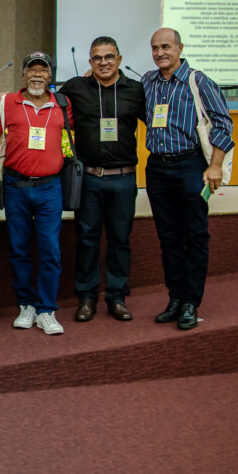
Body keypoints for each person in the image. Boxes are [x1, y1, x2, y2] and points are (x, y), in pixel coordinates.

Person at [143, 28, 233, 330]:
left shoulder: (199, 81)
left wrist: (215, 165)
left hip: (190, 166)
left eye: (165, 47)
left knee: (194, 235)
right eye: (155, 48)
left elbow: (223, 124)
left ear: (179, 48)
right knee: (168, 238)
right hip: (157, 168)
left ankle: (191, 302)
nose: (160, 53)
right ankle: (176, 298)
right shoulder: (148, 81)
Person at [59, 36, 146, 322]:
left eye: (109, 57)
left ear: (119, 59)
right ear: (90, 62)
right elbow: (45, 101)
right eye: (97, 58)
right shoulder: (76, 87)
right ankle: (86, 298)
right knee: (87, 240)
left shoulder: (136, 90)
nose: (104, 62)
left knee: (120, 240)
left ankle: (117, 297)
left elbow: (159, 122)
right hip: (89, 180)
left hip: (123, 179)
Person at [0, 52, 73, 336]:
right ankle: (26, 305)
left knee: (50, 250)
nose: (37, 74)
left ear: (50, 75)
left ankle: (46, 310)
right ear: (23, 74)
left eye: (43, 70)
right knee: (19, 249)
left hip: (50, 188)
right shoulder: (7, 103)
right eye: (31, 69)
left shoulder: (63, 104)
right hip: (16, 187)